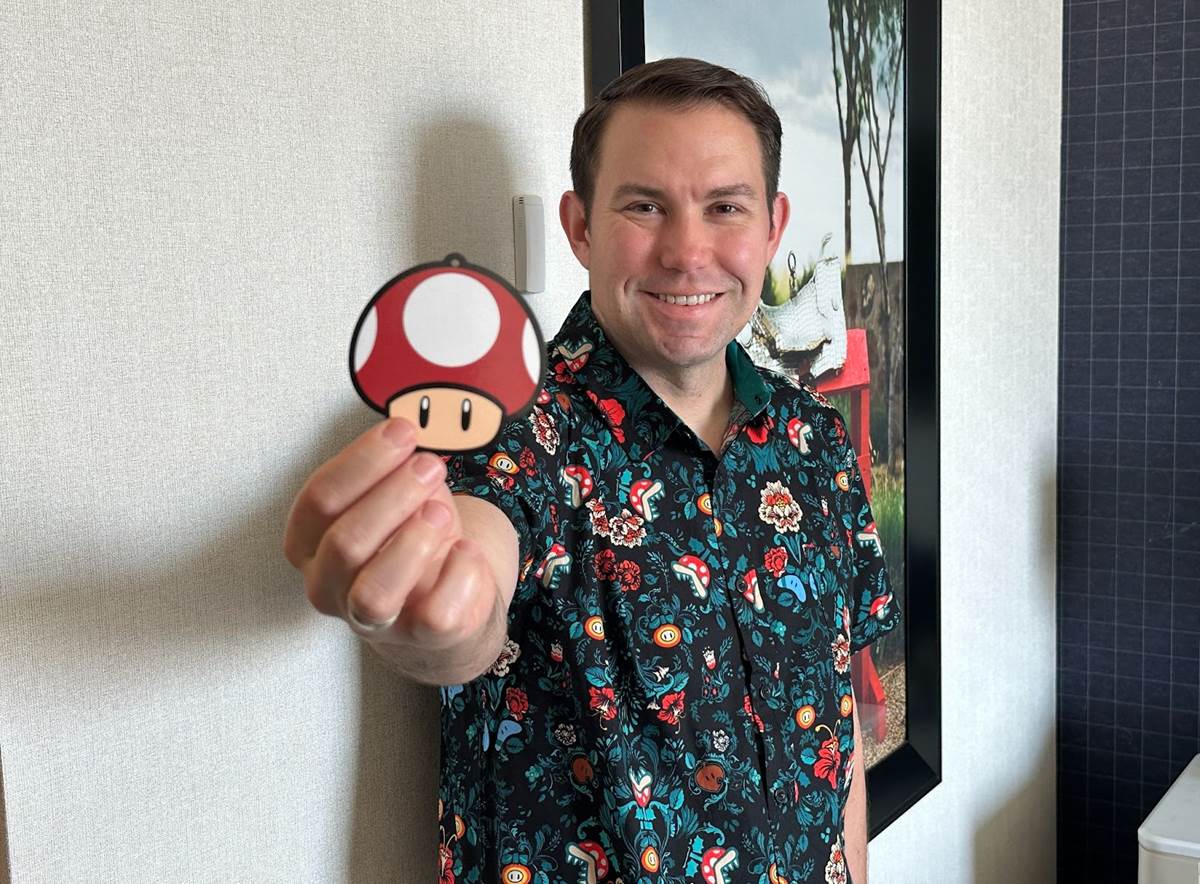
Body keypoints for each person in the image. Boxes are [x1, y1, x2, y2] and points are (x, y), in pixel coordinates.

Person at [283, 57, 901, 884]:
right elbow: (471, 577)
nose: (688, 252)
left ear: (772, 227)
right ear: (580, 227)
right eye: (644, 206)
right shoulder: (507, 432)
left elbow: (837, 730)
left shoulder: (815, 441)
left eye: (725, 207)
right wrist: (435, 622)